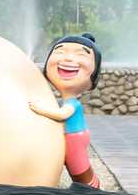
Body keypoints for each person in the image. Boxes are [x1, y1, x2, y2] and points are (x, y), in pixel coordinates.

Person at [29, 33, 102, 187]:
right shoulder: (66, 101)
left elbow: (62, 115)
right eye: (60, 52)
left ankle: (92, 191)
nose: (68, 59)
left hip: (74, 138)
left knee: (78, 169)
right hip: (72, 137)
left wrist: (39, 109)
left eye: (81, 54)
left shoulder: (72, 103)